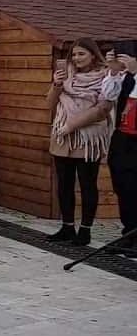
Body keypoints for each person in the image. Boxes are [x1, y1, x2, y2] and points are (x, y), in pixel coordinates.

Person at [46, 39, 115, 245]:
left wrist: (72, 125)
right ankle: (67, 227)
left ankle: (85, 231)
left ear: (93, 55)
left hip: (88, 138)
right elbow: (50, 103)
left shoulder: (106, 77)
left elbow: (102, 110)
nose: (76, 58)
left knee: (87, 184)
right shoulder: (66, 75)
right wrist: (57, 85)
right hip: (63, 137)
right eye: (74, 55)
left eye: (81, 54)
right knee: (64, 184)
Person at [104, 49, 137, 256]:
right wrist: (114, 72)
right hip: (122, 138)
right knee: (122, 187)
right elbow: (108, 95)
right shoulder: (125, 77)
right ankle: (128, 234)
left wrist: (135, 74)